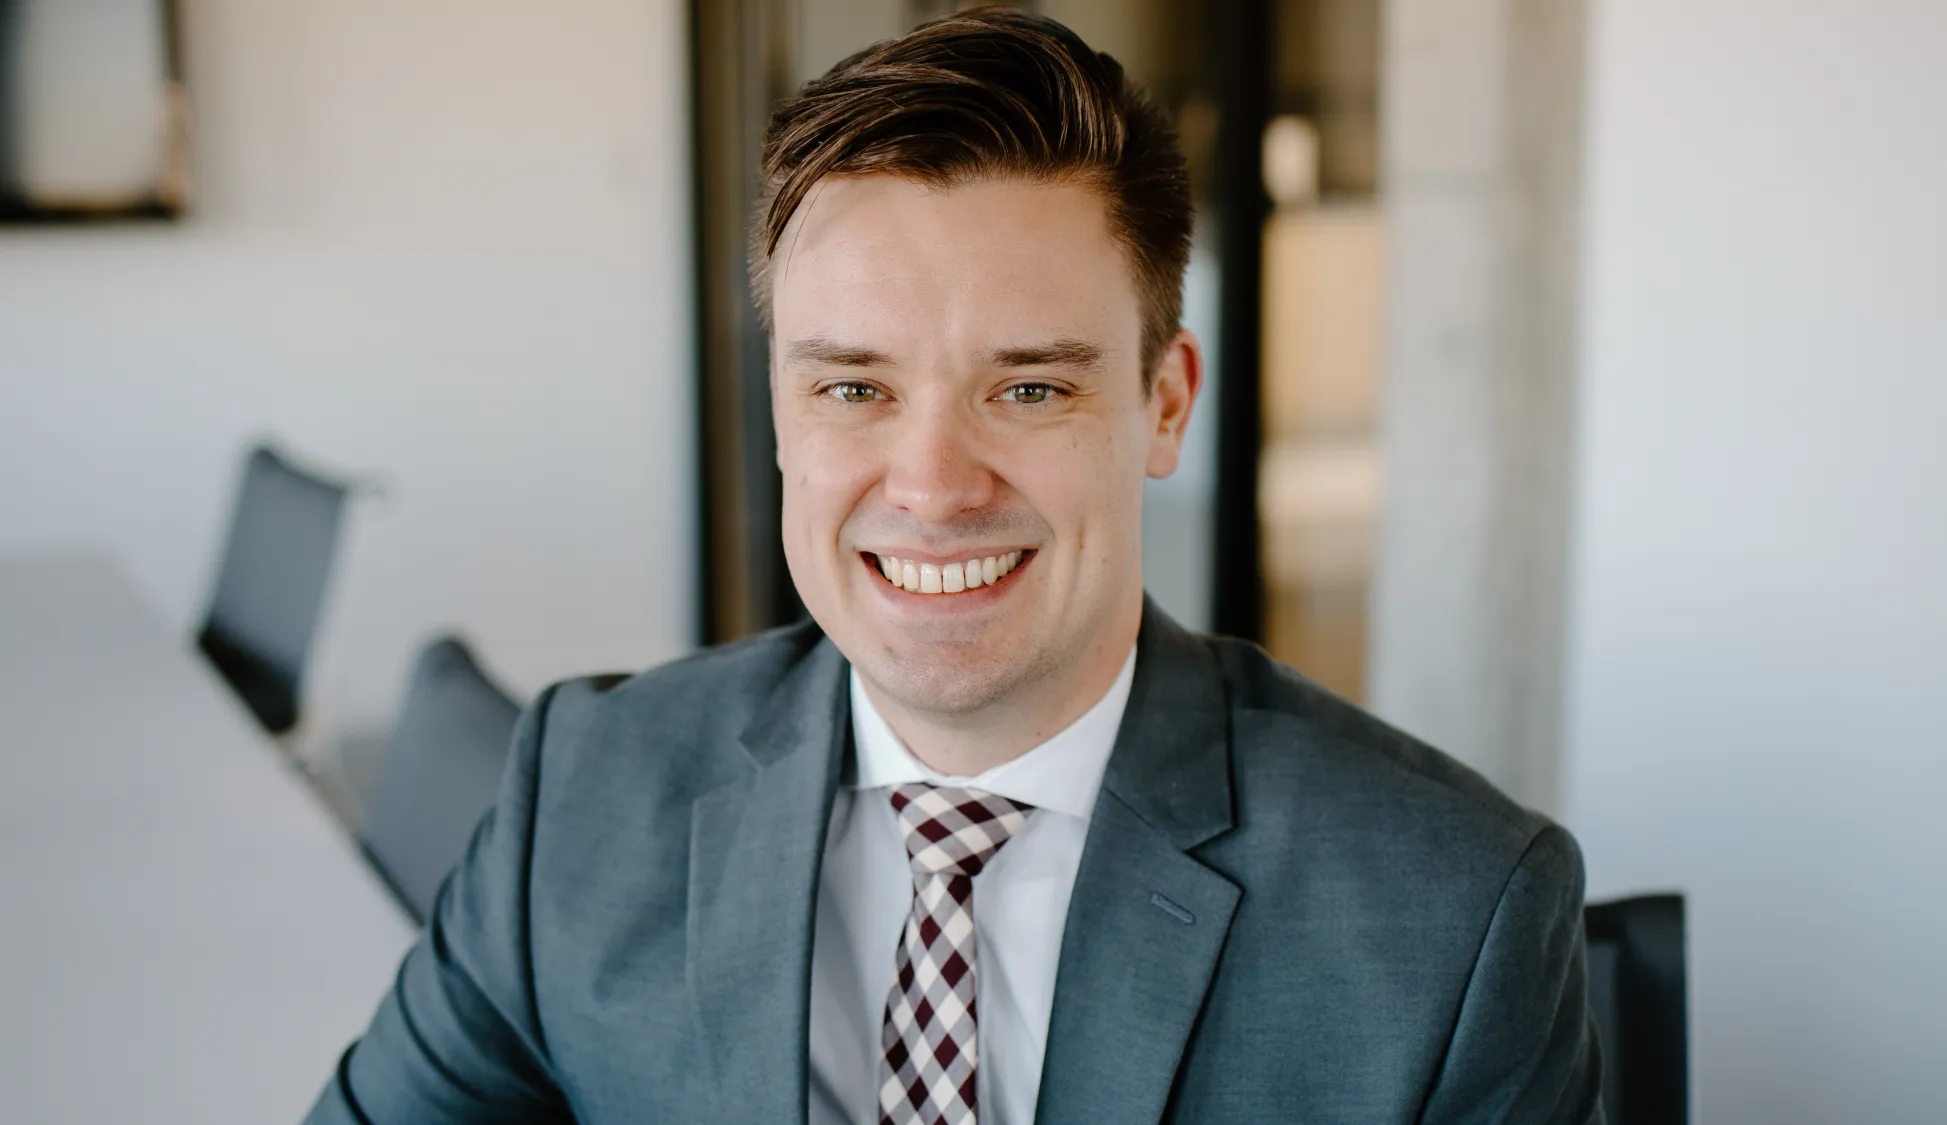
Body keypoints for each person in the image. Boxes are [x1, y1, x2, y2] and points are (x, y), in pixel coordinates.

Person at [307, 8, 1602, 1124]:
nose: (931, 487)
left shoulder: (1456, 921)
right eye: (854, 387)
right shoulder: (585, 799)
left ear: (1163, 403)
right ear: (777, 410)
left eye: (1028, 387)